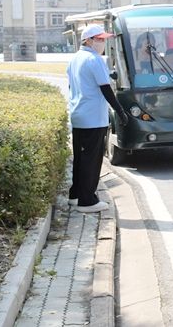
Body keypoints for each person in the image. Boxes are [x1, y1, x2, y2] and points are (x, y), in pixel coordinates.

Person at [67, 25, 129, 213]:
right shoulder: (95, 59)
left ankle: (75, 195)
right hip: (93, 117)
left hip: (78, 116)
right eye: (99, 39)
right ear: (88, 40)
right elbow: (106, 89)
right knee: (92, 161)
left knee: (80, 158)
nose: (102, 43)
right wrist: (120, 112)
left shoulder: (75, 59)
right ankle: (87, 201)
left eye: (103, 39)